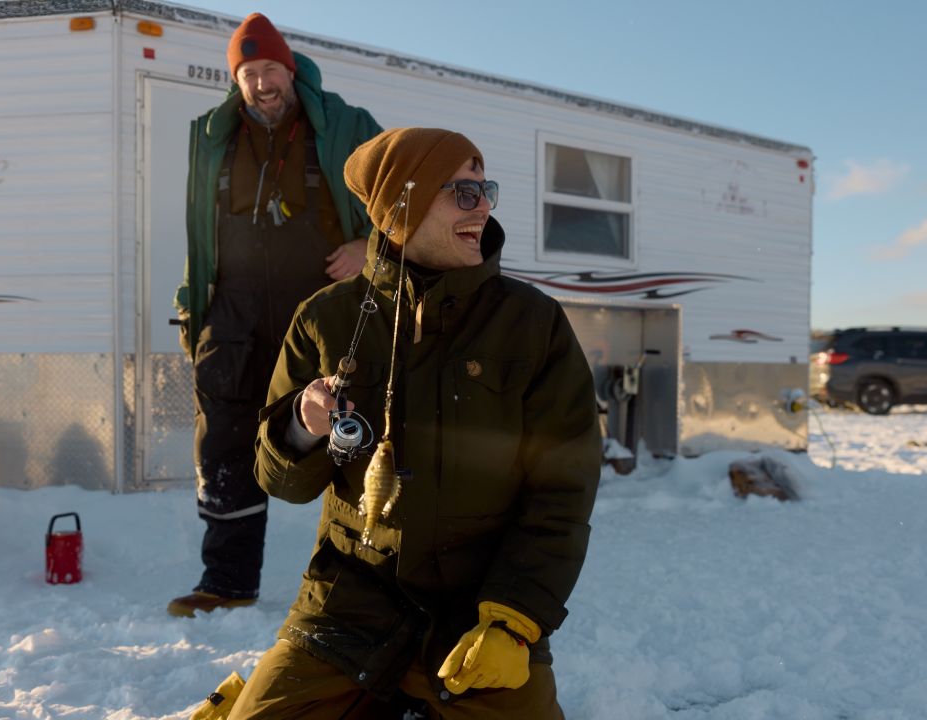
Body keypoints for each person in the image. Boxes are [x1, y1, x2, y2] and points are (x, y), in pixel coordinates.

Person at [228, 127, 602, 718]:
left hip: (479, 610)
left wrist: (515, 618)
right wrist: (302, 425)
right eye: (462, 192)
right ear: (400, 204)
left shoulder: (534, 325)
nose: (482, 207)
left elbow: (563, 492)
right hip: (349, 603)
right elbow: (281, 483)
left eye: (486, 190)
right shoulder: (325, 319)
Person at [169, 12, 383, 618]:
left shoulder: (345, 125)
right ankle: (227, 584)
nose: (262, 83)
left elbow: (403, 197)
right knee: (226, 448)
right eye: (248, 72)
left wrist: (369, 245)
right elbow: (198, 234)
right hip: (231, 312)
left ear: (291, 71)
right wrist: (195, 307)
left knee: (351, 437)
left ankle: (366, 585)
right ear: (235, 79)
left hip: (321, 309)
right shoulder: (212, 136)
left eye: (271, 70)